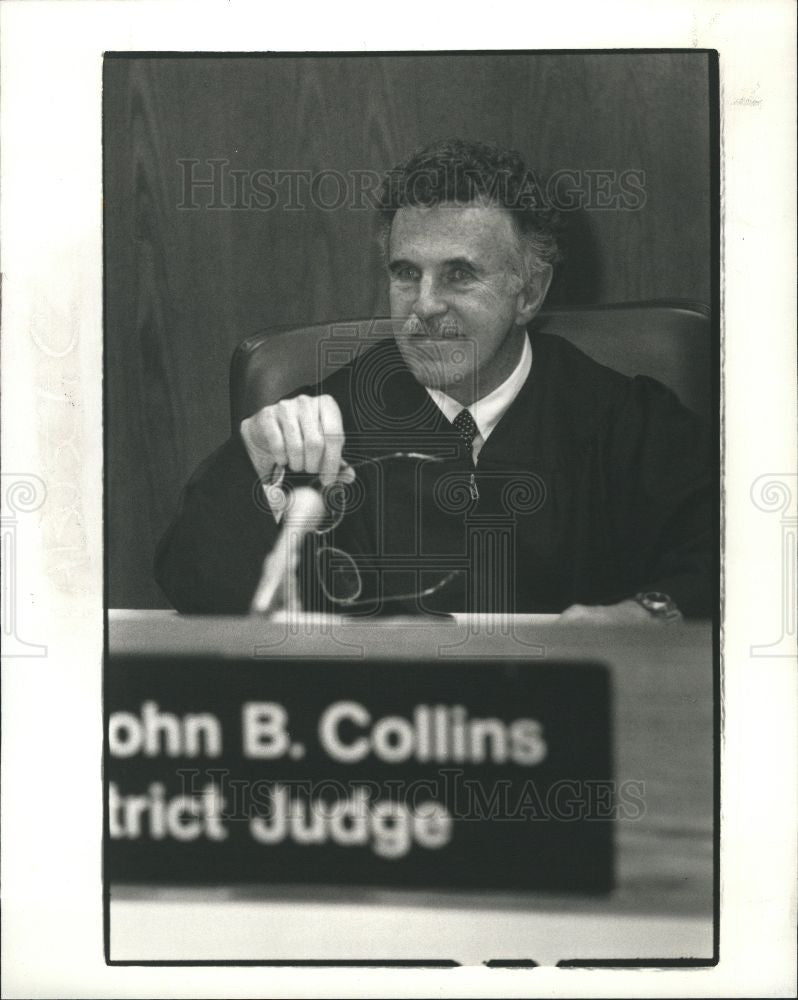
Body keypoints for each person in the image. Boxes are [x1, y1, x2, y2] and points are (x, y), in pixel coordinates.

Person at [155, 138, 712, 622]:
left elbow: (730, 559)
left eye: (459, 274)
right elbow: (193, 583)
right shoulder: (329, 418)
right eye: (405, 274)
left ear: (530, 292)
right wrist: (251, 462)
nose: (423, 305)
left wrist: (649, 616)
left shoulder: (624, 419)